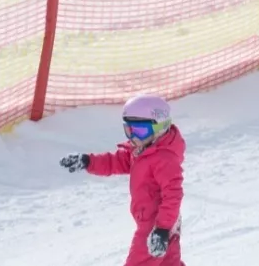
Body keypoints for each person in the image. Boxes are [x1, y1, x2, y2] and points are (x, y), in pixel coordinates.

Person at [59, 94, 186, 266]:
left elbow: (173, 194)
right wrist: (88, 161)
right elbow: (114, 161)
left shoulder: (164, 158)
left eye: (140, 131)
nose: (134, 137)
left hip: (155, 224)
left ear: (160, 128)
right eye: (129, 130)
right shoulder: (142, 149)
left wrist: (162, 229)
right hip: (164, 222)